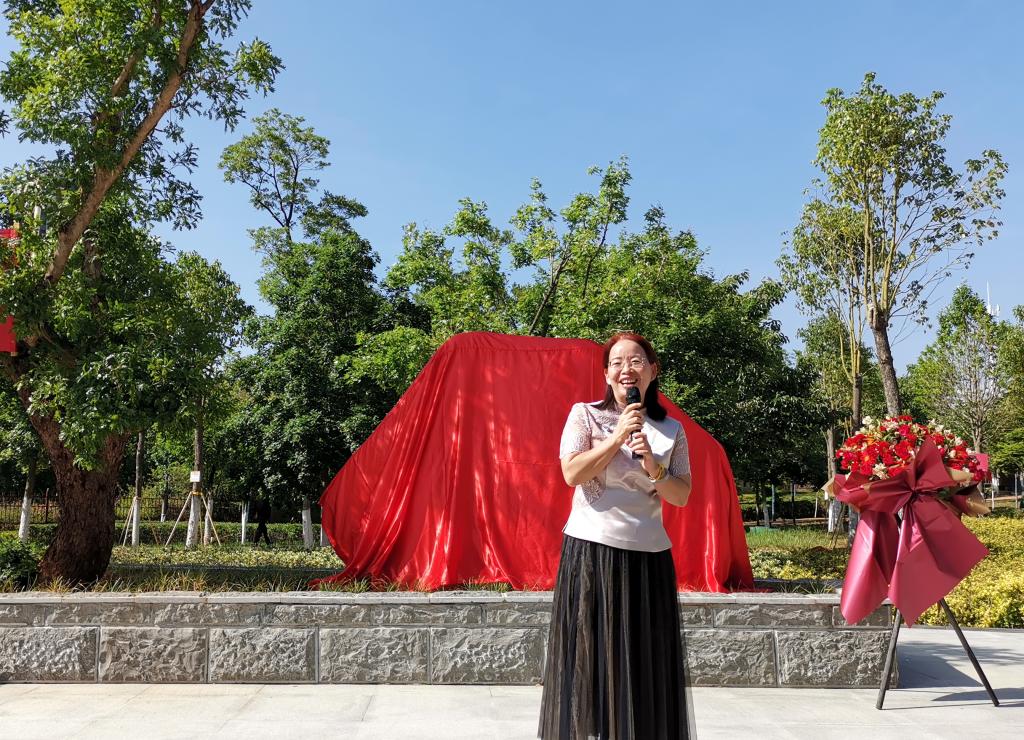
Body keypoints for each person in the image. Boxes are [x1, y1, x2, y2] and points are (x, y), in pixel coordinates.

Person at [538, 331, 696, 740]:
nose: (627, 369)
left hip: (649, 557)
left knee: (643, 663)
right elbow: (572, 473)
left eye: (637, 361)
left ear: (653, 370)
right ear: (606, 374)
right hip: (592, 552)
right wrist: (617, 436)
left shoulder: (671, 429)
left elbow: (681, 495)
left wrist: (653, 466)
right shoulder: (584, 415)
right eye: (617, 363)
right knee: (592, 660)